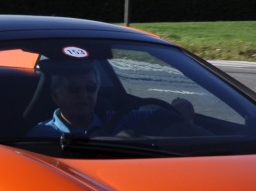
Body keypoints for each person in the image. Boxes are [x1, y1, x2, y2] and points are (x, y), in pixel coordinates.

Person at [27, 58, 195, 138]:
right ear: (55, 95)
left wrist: (181, 109)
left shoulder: (116, 118)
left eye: (91, 88)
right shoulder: (43, 135)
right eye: (74, 88)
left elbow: (160, 115)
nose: (84, 94)